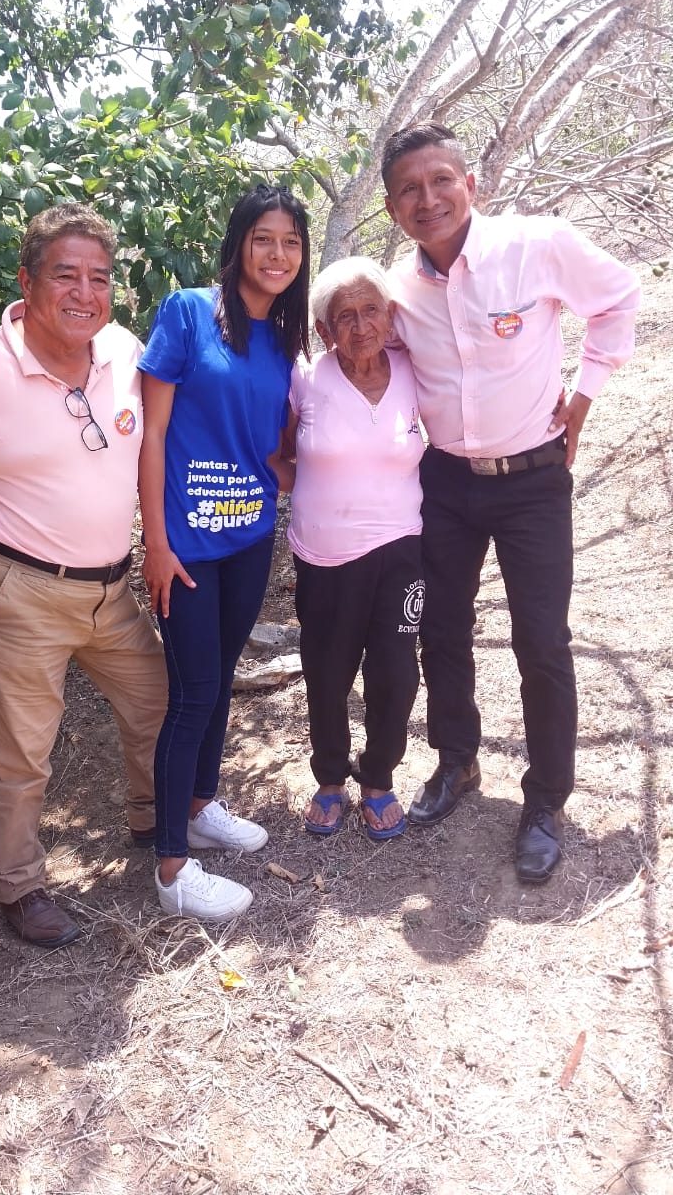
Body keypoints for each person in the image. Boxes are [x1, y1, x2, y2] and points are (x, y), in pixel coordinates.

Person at [381, 122, 639, 882]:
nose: (428, 199)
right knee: (442, 628)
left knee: (541, 640)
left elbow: (619, 298)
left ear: (471, 184)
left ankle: (546, 800)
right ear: (393, 207)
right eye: (409, 189)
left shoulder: (537, 245)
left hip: (532, 480)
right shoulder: (399, 289)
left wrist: (583, 397)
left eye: (441, 180)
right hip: (446, 482)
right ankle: (457, 760)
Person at [0, 204, 166, 948]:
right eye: (66, 275)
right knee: (23, 750)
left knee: (156, 703)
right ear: (27, 283)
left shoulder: (122, 349)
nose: (85, 293)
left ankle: (154, 819)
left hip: (111, 588)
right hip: (17, 588)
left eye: (100, 277)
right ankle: (17, 882)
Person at [138, 183, 311, 920]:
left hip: (249, 539)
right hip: (186, 547)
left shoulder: (286, 340)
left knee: (220, 681)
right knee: (193, 693)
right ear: (238, 243)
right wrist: (155, 542)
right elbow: (152, 434)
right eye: (263, 238)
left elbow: (272, 448)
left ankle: (201, 807)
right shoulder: (188, 312)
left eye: (291, 242)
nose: (277, 254)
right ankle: (172, 869)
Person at [276, 257, 424, 840]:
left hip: (401, 549)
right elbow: (278, 453)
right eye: (345, 316)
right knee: (328, 671)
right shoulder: (305, 378)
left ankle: (379, 777)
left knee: (396, 672)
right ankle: (331, 778)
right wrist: (316, 490)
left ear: (390, 316)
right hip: (325, 557)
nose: (361, 326)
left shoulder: (414, 370)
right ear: (324, 329)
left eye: (371, 311)